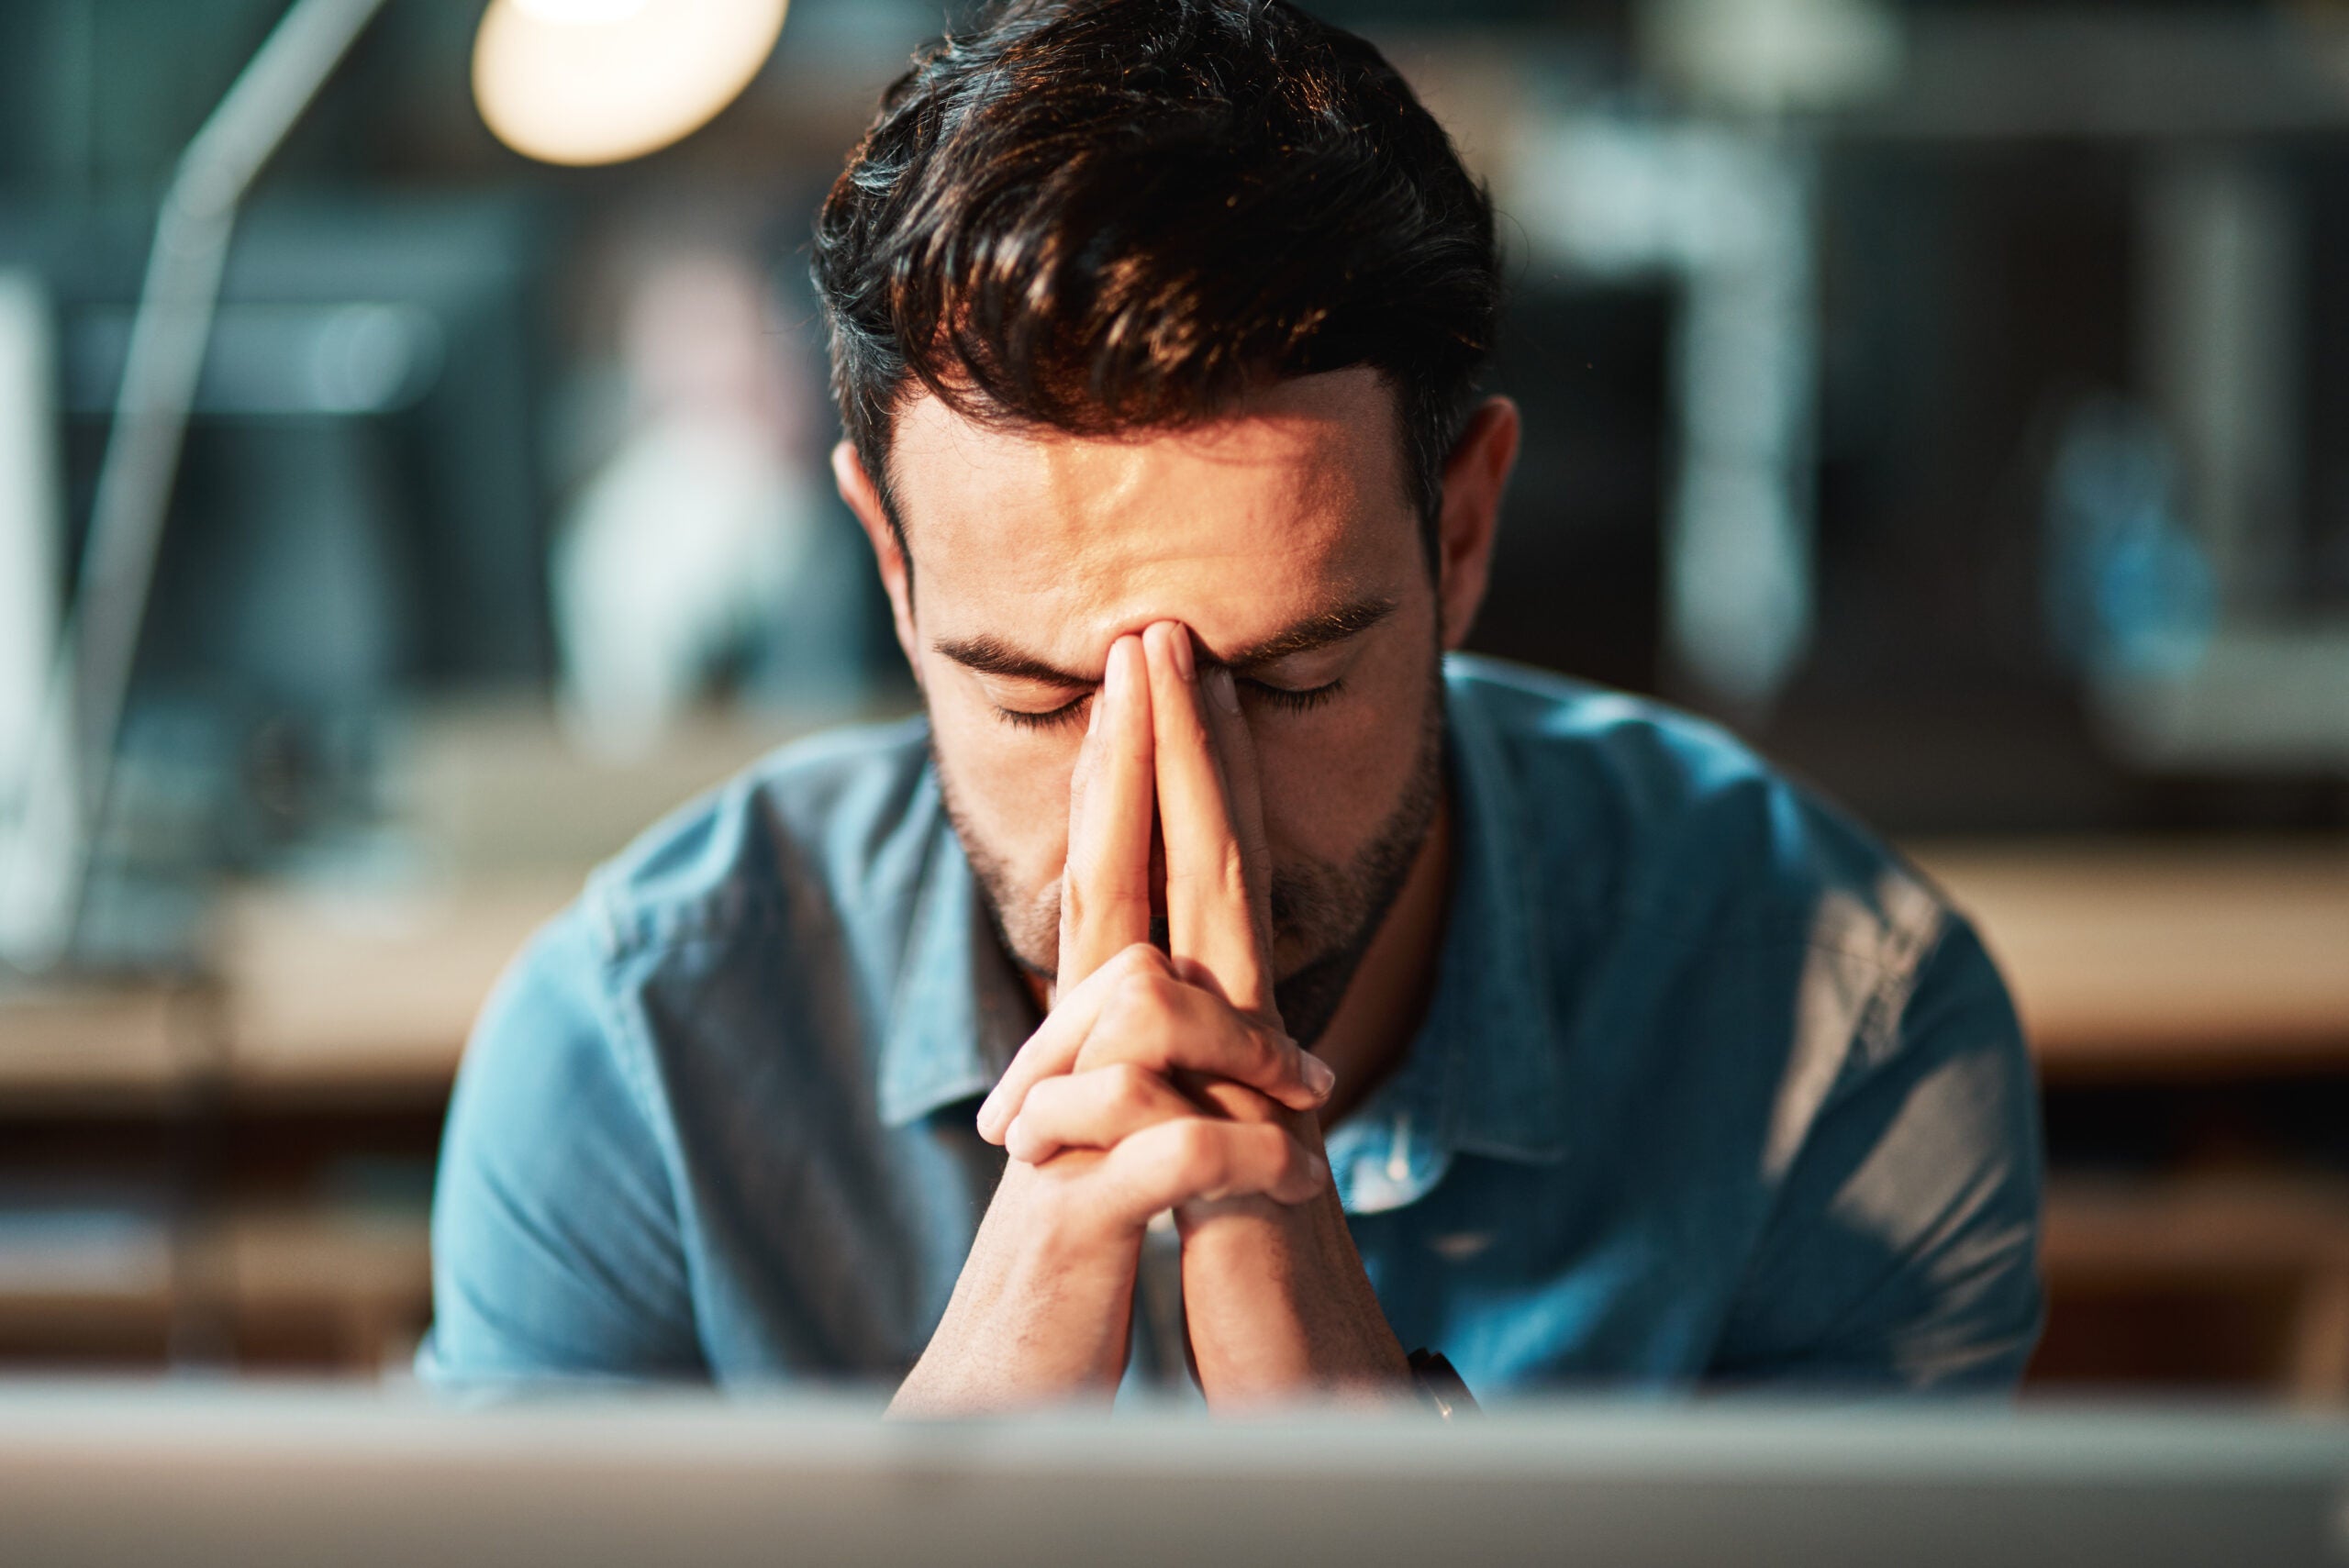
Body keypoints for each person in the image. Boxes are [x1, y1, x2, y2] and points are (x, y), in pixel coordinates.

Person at [420, 0, 2043, 1411]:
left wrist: (1349, 1439)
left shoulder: (1840, 1030)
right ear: (896, 581)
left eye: (1287, 678)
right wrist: (951, 1468)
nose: (1178, 798)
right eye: (1041, 696)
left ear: (1463, 536)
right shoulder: (632, 1056)